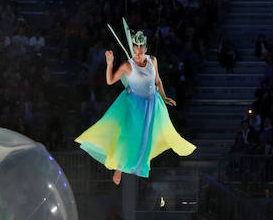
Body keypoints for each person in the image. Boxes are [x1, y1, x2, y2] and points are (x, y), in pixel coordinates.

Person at [76, 26, 194, 184]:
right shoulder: (127, 66)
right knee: (129, 136)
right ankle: (119, 167)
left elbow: (157, 81)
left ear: (145, 48)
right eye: (136, 51)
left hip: (152, 103)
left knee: (146, 139)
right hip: (135, 105)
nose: (138, 54)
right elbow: (110, 80)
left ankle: (138, 166)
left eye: (141, 50)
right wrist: (110, 63)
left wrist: (165, 97)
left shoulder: (152, 60)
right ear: (132, 49)